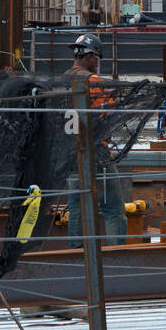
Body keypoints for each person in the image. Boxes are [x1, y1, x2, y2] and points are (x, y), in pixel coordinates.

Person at [61, 33, 128, 248]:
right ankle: (116, 255)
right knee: (113, 208)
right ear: (90, 57)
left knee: (77, 204)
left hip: (71, 152)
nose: (97, 63)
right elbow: (107, 115)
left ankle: (76, 252)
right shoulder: (94, 82)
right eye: (97, 58)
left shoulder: (63, 80)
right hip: (97, 154)